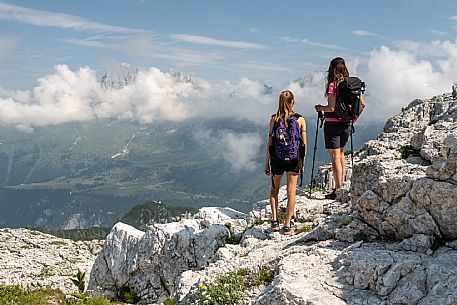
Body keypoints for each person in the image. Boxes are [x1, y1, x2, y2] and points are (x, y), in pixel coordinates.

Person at [314, 57, 365, 199]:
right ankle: (342, 186)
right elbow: (363, 104)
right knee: (341, 154)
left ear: (331, 69)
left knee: (335, 156)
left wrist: (319, 108)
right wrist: (353, 119)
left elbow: (330, 107)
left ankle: (338, 188)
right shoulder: (352, 85)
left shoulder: (333, 85)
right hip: (347, 123)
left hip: (333, 124)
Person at [264, 90, 307, 235]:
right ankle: (288, 224)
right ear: (293, 102)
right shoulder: (300, 119)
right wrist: (302, 162)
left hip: (277, 158)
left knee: (274, 190)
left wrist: (266, 163)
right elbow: (303, 145)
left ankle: (275, 221)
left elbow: (270, 143)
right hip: (294, 158)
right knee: (291, 191)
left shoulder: (273, 119)